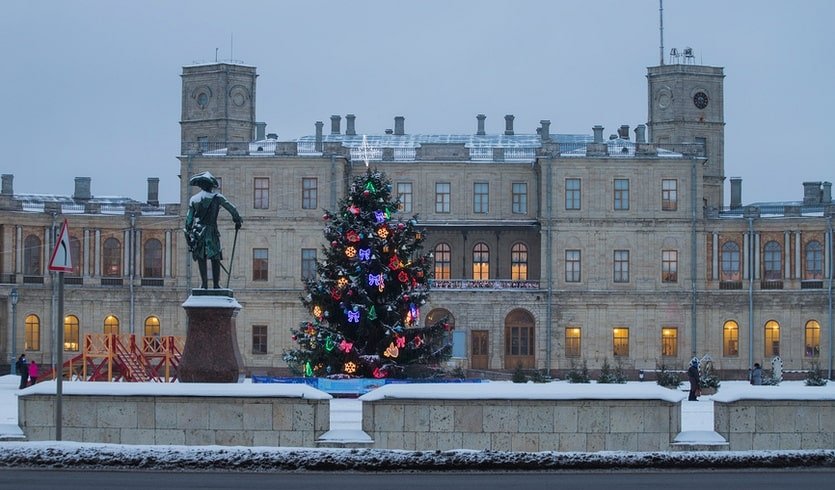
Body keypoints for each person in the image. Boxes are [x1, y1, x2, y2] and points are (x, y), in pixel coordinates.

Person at [183, 171, 243, 289]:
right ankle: (216, 285)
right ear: (210, 185)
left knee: (201, 257)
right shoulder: (217, 197)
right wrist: (237, 220)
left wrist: (188, 232)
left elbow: (189, 219)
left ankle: (204, 284)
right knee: (215, 257)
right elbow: (231, 208)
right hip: (211, 231)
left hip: (198, 232)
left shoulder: (194, 199)